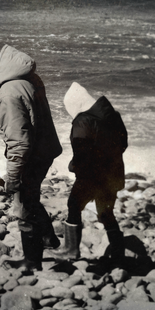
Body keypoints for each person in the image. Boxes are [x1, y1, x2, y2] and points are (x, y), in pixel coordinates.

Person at [0, 44, 62, 271]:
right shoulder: (24, 78)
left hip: (31, 155)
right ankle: (48, 239)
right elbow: (27, 112)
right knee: (31, 197)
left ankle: (32, 262)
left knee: (23, 207)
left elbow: (19, 142)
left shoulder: (7, 94)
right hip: (45, 147)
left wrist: (13, 177)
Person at [51, 82, 128, 263]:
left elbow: (82, 152)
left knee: (74, 206)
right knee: (106, 213)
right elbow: (123, 144)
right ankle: (119, 254)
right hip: (113, 174)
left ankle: (71, 250)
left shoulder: (82, 121)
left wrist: (73, 166)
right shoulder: (112, 116)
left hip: (91, 176)